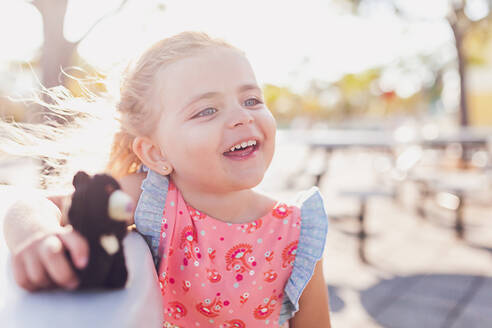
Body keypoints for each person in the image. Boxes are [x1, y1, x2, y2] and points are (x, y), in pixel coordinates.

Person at [3, 31, 331, 327]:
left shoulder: (299, 230)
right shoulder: (156, 201)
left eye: (251, 100)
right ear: (156, 154)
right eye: (206, 110)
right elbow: (39, 203)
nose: (243, 116)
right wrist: (34, 235)